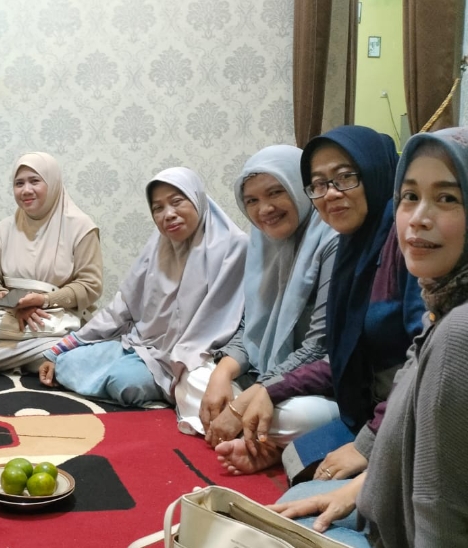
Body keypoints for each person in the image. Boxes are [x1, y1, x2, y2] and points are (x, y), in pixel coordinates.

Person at [272, 127, 468, 548]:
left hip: (399, 473)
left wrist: (366, 454)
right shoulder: (441, 297)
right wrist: (359, 488)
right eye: (410, 196)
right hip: (381, 434)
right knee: (295, 490)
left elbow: (438, 509)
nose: (418, 218)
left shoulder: (455, 327)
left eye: (447, 198)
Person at [217, 127, 425, 479]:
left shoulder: (408, 247)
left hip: (412, 418)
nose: (331, 194)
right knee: (295, 463)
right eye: (318, 184)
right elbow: (342, 356)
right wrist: (269, 389)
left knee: (312, 494)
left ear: (375, 172)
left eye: (345, 177)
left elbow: (424, 367)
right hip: (363, 406)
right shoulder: (352, 246)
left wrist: (368, 444)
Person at [38, 167, 247, 407]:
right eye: (158, 208)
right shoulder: (158, 247)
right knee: (67, 362)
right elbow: (121, 308)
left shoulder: (233, 248)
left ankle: (156, 384)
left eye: (177, 202)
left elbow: (232, 321)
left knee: (124, 383)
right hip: (140, 346)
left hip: (191, 357)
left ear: (197, 198)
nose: (168, 214)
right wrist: (59, 349)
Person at [178, 145, 340, 446]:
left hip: (314, 384)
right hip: (264, 374)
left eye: (276, 192)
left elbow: (319, 349)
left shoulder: (332, 242)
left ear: (301, 189)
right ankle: (252, 431)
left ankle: (241, 424)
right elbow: (249, 325)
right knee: (194, 376)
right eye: (252, 200)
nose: (264, 209)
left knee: (298, 418)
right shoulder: (261, 243)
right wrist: (222, 374)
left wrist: (246, 401)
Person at [0, 152, 103, 374]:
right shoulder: (2, 230)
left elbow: (90, 285)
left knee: (78, 357)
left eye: (35, 181)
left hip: (58, 323)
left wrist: (45, 300)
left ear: (53, 183)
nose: (26, 190)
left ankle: (29, 359)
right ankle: (40, 361)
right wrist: (14, 304)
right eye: (19, 183)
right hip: (10, 319)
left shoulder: (82, 227)